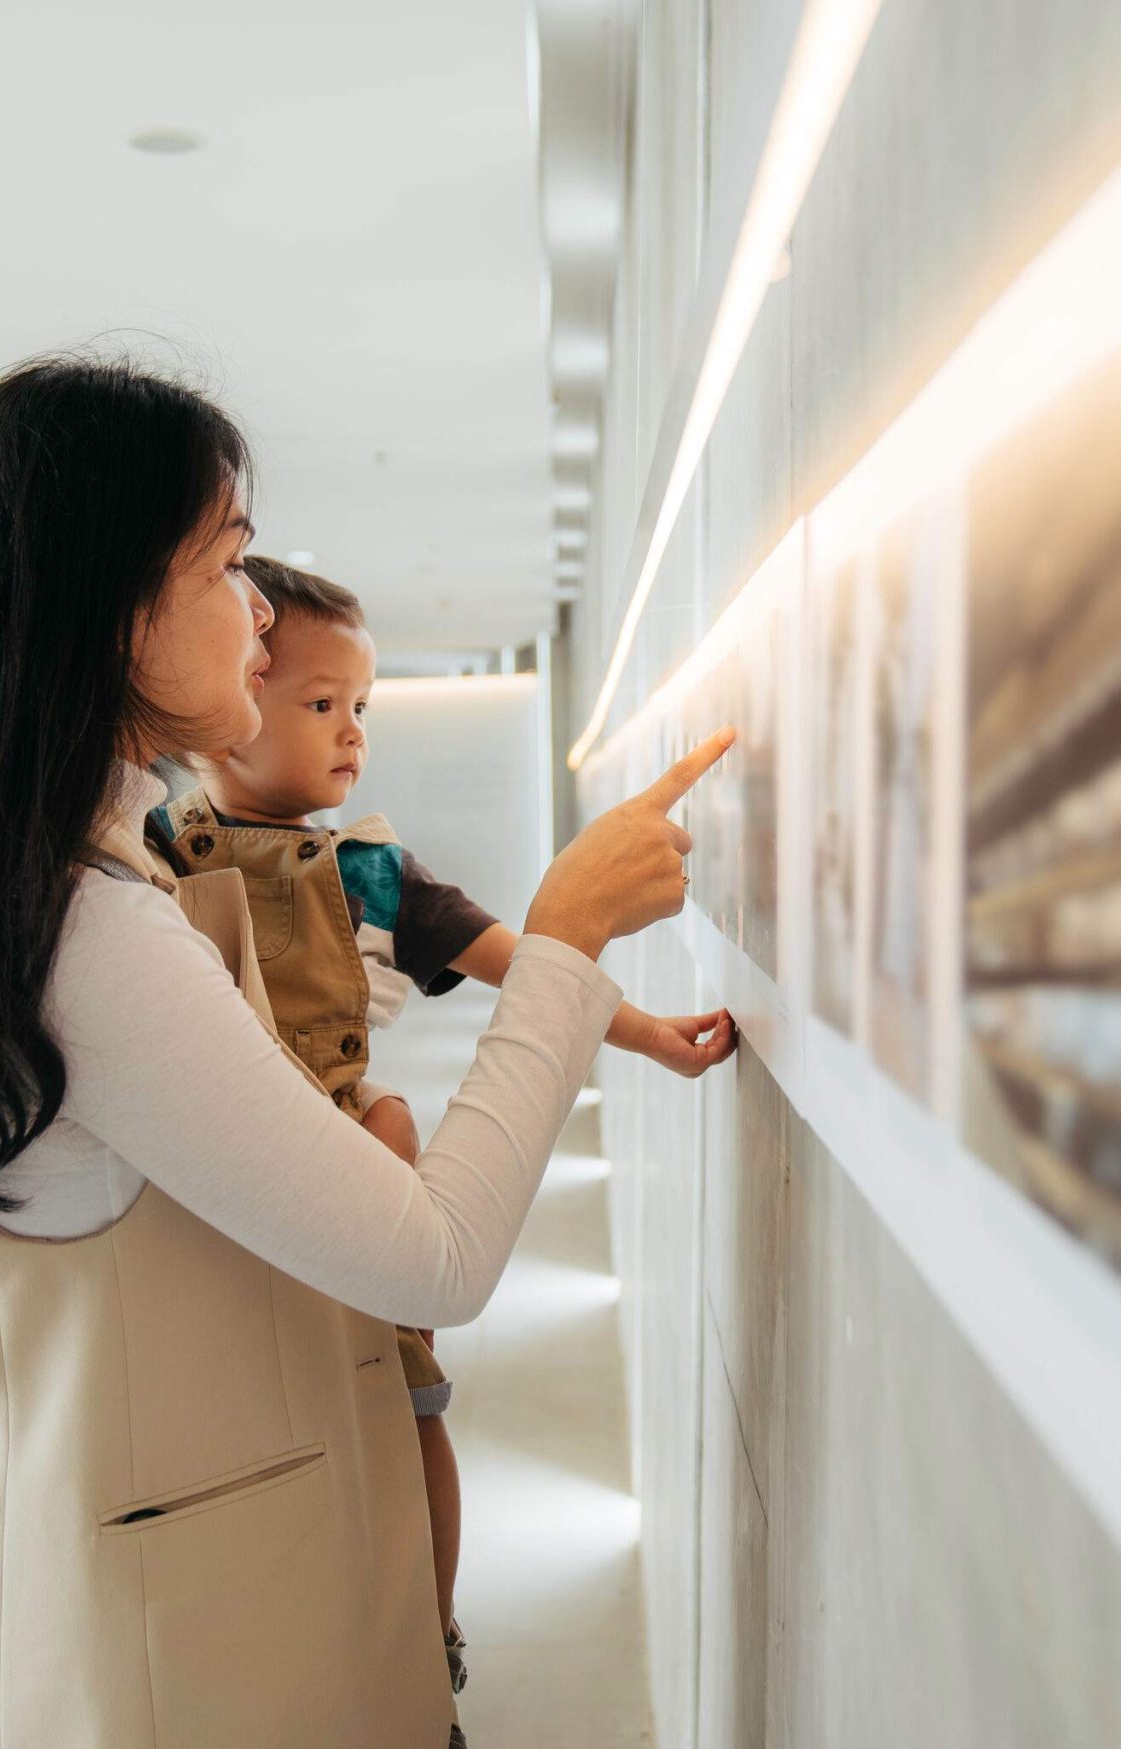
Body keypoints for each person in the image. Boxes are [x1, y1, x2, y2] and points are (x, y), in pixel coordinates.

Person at [0, 355, 731, 1749]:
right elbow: (436, 1256)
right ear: (113, 609)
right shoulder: (88, 930)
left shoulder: (23, 888)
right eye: (229, 566)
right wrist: (565, 937)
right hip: (198, 1657)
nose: (256, 611)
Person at [150, 554, 734, 1693]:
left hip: (346, 1176)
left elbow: (530, 965)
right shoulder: (158, 858)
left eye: (361, 706)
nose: (351, 732)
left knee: (408, 1403)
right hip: (218, 1179)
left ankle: (432, 1627)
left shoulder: (367, 870)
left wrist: (649, 1033)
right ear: (230, 703)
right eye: (321, 704)